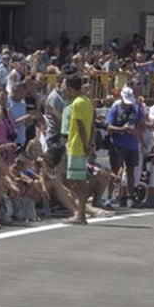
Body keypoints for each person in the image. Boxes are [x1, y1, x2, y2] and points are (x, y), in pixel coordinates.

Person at [63, 74, 93, 225]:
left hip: (77, 146)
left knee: (79, 182)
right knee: (77, 181)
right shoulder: (87, 101)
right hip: (81, 145)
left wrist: (86, 145)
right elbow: (91, 125)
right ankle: (80, 212)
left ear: (70, 88)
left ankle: (81, 214)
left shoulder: (77, 103)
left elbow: (80, 127)